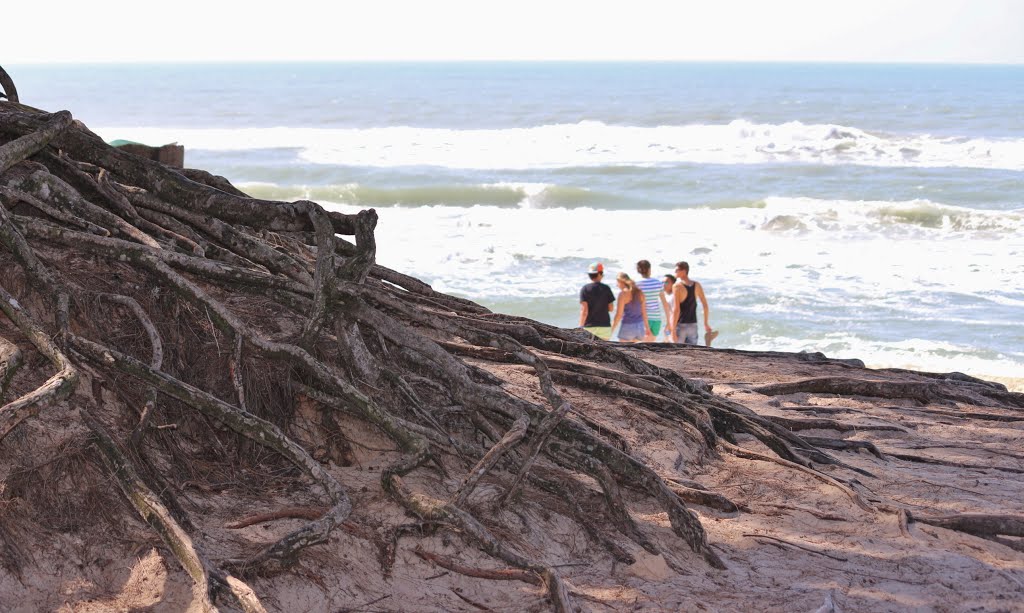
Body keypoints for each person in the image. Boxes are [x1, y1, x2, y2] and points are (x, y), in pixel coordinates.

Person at [669, 261, 716, 345]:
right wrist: (706, 323)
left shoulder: (677, 286)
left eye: (677, 270)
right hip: (693, 325)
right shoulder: (697, 285)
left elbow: (676, 309)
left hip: (681, 326)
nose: (675, 272)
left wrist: (672, 330)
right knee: (692, 353)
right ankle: (708, 342)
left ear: (684, 271)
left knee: (677, 353)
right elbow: (705, 305)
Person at [611, 272, 652, 343]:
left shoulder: (623, 294)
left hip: (628, 327)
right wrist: (647, 328)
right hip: (640, 327)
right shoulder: (640, 292)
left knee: (623, 353)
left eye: (617, 283)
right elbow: (644, 312)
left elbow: (619, 315)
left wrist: (612, 329)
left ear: (621, 282)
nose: (617, 285)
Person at [579, 262, 615, 340]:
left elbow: (584, 311)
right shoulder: (606, 288)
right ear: (599, 274)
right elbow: (611, 308)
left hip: (589, 327)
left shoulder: (585, 289)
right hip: (604, 327)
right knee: (606, 350)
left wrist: (580, 327)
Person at [635, 260, 665, 340]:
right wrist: (669, 322)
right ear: (649, 269)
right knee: (651, 345)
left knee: (639, 347)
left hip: (643, 319)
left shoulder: (637, 284)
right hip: (657, 318)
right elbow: (665, 304)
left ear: (638, 270)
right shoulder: (658, 283)